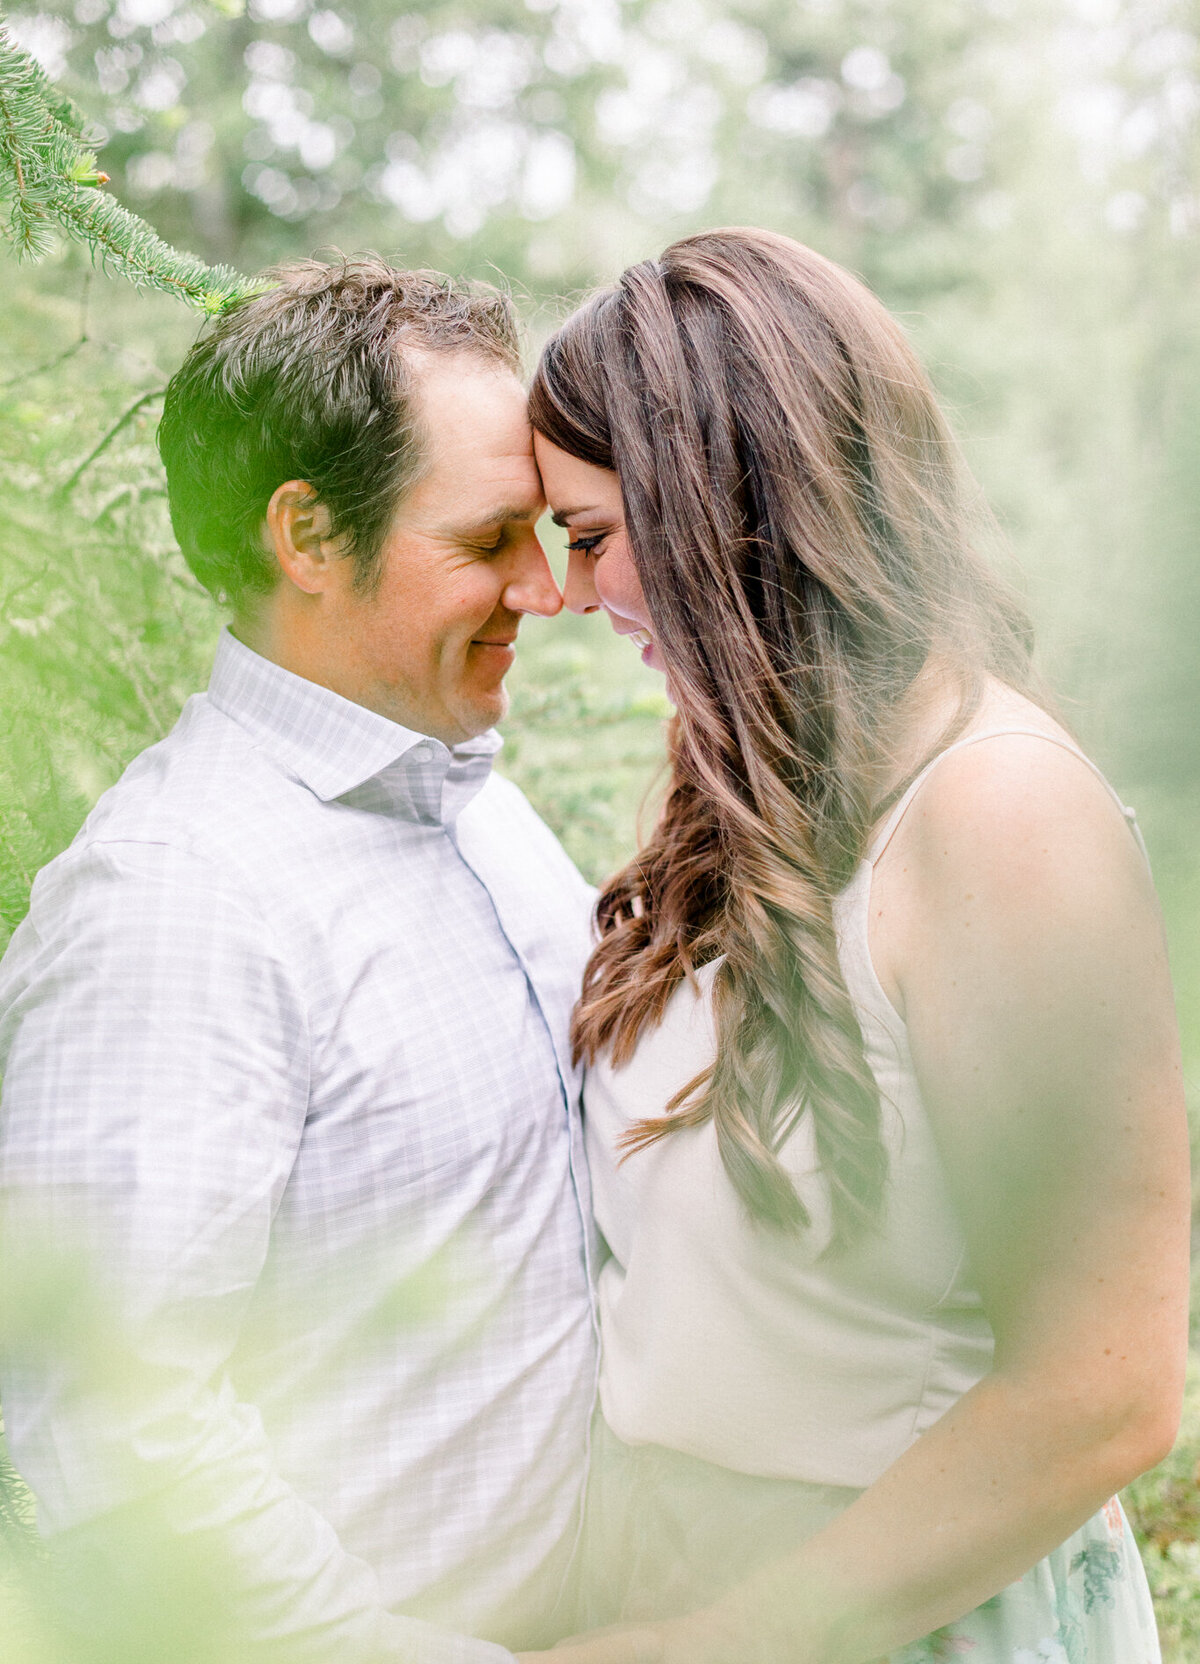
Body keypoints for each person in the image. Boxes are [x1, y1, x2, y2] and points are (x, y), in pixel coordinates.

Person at [526, 227, 1190, 1664]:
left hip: (893, 1619)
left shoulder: (1003, 815)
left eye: (589, 536)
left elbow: (1109, 1386)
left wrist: (722, 1640)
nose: (569, 596)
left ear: (720, 502)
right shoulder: (758, 789)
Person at [0, 260, 599, 1663]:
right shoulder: (176, 908)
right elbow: (111, 1427)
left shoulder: (473, 798)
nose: (545, 587)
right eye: (490, 538)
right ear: (309, 536)